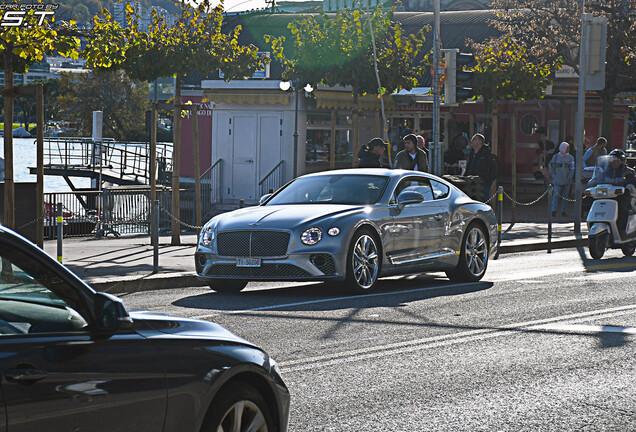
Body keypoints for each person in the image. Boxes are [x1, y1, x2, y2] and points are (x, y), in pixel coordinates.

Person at [604, 149, 636, 235]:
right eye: (612, 160)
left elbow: (632, 182)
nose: (613, 162)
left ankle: (622, 229)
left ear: (622, 161)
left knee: (622, 207)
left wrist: (627, 182)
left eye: (615, 160)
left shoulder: (629, 171)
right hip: (610, 195)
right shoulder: (608, 171)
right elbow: (601, 178)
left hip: (624, 198)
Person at [465, 133, 498, 202]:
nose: (471, 141)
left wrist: (488, 180)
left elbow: (494, 169)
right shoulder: (471, 154)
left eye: (474, 139)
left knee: (484, 201)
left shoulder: (487, 154)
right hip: (471, 183)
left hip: (483, 183)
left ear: (480, 141)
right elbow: (468, 167)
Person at [549, 142, 575, 217]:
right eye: (567, 148)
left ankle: (564, 211)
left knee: (565, 196)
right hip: (557, 180)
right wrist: (554, 176)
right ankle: (554, 210)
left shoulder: (571, 158)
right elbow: (551, 167)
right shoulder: (556, 157)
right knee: (555, 196)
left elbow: (572, 169)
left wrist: (569, 178)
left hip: (567, 181)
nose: (568, 149)